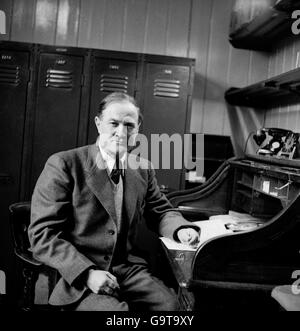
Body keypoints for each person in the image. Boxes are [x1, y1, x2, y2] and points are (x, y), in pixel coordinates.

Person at [28, 92, 200, 311]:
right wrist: (87, 274)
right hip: (79, 276)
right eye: (114, 123)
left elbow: (161, 211)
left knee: (172, 308)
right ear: (99, 124)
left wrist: (180, 230)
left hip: (126, 269)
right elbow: (42, 234)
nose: (122, 132)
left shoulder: (143, 168)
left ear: (137, 130)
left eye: (129, 125)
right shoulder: (64, 164)